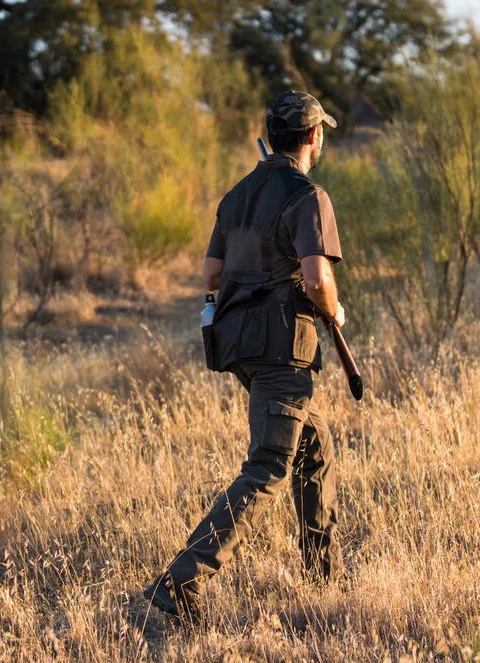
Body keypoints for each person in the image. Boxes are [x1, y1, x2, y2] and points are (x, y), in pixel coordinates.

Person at [143, 90, 346, 623]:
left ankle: (321, 575)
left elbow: (213, 276)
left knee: (313, 445)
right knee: (269, 467)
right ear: (311, 137)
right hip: (282, 345)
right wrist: (333, 309)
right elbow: (318, 276)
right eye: (319, 131)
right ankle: (181, 582)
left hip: (238, 345)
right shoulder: (307, 195)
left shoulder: (237, 195)